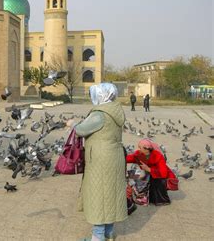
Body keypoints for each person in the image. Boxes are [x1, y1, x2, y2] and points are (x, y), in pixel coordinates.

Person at [72, 83, 127, 241]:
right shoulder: (115, 110)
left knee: (99, 197)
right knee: (111, 195)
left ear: (102, 96)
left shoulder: (100, 114)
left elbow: (81, 130)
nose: (92, 98)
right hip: (114, 156)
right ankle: (109, 233)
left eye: (94, 94)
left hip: (101, 159)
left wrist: (72, 124)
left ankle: (98, 237)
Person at [126, 139, 175, 206]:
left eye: (148, 148)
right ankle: (140, 194)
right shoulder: (139, 154)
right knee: (131, 174)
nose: (146, 150)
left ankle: (144, 197)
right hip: (149, 175)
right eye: (144, 148)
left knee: (143, 175)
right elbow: (129, 158)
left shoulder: (158, 156)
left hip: (161, 178)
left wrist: (148, 169)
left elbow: (164, 173)